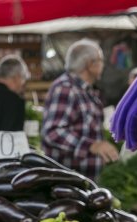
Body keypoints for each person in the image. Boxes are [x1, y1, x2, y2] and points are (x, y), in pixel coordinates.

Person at [41, 39, 118, 179]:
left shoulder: (86, 91)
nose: (103, 65)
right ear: (90, 64)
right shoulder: (65, 88)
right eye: (100, 61)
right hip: (68, 183)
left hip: (84, 182)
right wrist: (92, 146)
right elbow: (53, 132)